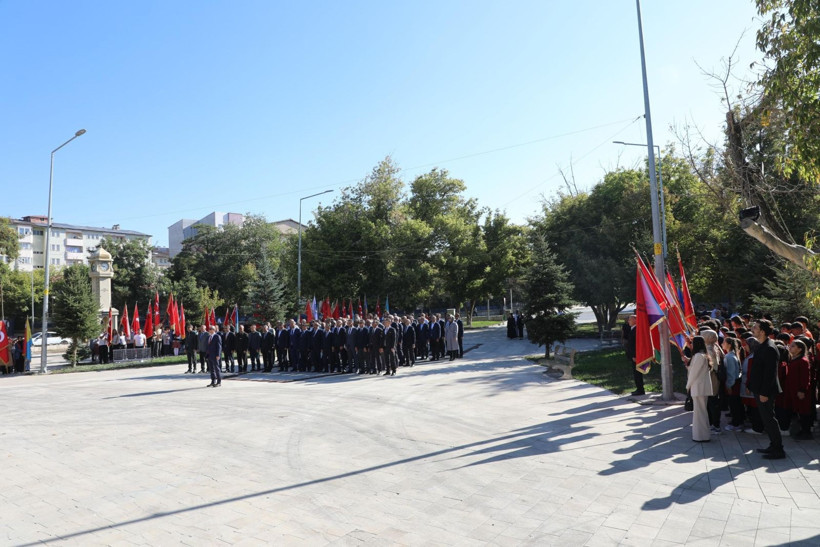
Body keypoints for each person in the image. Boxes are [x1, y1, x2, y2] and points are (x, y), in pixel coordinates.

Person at [749, 319, 786, 459]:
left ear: (762, 331)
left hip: (765, 391)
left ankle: (778, 449)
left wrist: (764, 393)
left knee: (769, 419)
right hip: (759, 389)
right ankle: (773, 445)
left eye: (755, 327)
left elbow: (770, 373)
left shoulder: (769, 348)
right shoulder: (762, 345)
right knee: (766, 419)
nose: (752, 329)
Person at [686, 336, 713, 442]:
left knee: (699, 413)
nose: (691, 345)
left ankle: (701, 436)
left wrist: (688, 385)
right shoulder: (703, 355)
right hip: (701, 387)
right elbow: (693, 369)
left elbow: (693, 373)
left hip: (698, 387)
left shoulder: (698, 356)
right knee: (701, 412)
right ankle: (702, 435)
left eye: (692, 343)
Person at [787, 339, 813, 440]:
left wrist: (802, 390)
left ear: (800, 349)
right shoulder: (794, 359)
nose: (790, 347)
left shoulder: (803, 361)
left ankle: (806, 432)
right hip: (794, 390)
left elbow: (805, 377)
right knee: (799, 410)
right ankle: (802, 430)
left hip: (801, 391)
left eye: (793, 346)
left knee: (804, 411)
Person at [624, 315, 644, 396]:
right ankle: (639, 388)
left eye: (630, 320)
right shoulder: (633, 329)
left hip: (636, 356)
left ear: (635, 320)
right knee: (636, 373)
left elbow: (636, 344)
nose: (628, 321)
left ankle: (640, 389)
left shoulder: (636, 330)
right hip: (633, 355)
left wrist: (634, 355)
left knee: (637, 373)